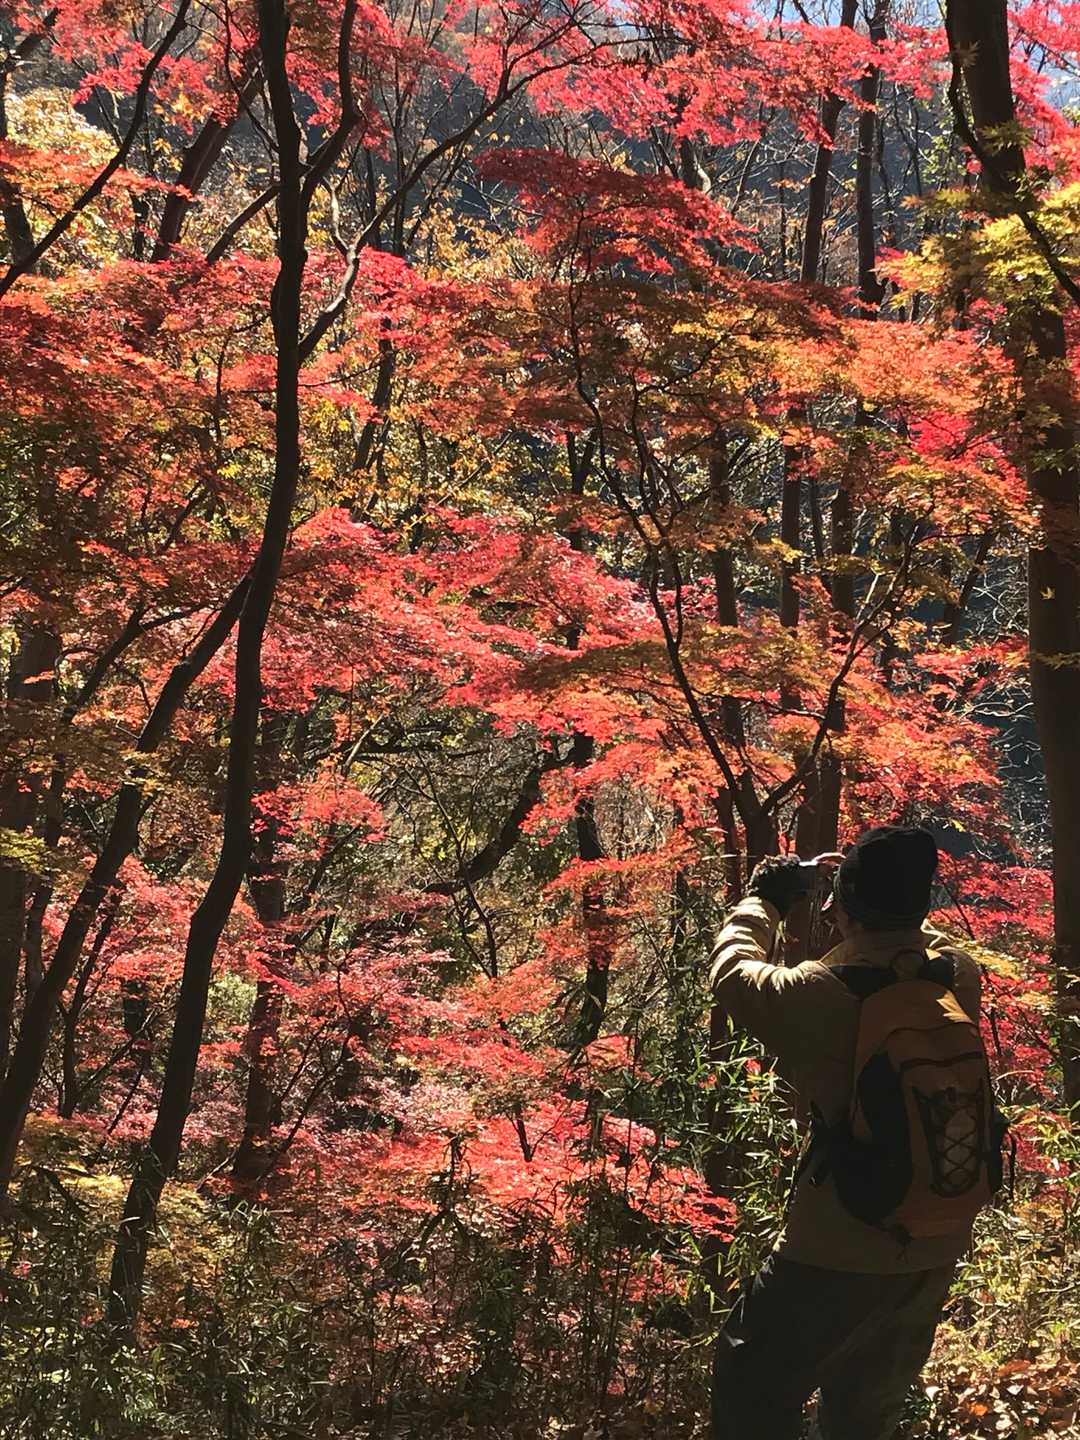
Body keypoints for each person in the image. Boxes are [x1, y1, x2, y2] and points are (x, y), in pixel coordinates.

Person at [708, 825, 986, 1440]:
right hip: (935, 1240)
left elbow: (732, 969)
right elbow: (918, 942)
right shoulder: (958, 978)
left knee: (748, 1384)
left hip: (836, 1243)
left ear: (847, 907)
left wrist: (767, 896)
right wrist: (873, 905)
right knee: (863, 1414)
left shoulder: (818, 994)